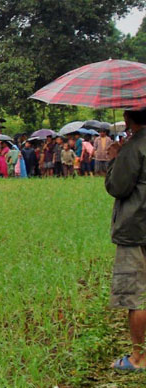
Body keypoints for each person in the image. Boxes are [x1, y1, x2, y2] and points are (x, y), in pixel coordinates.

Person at [105, 109, 146, 372]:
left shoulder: (134, 147)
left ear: (129, 119)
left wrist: (114, 159)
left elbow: (117, 187)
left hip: (136, 228)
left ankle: (138, 357)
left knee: (137, 296)